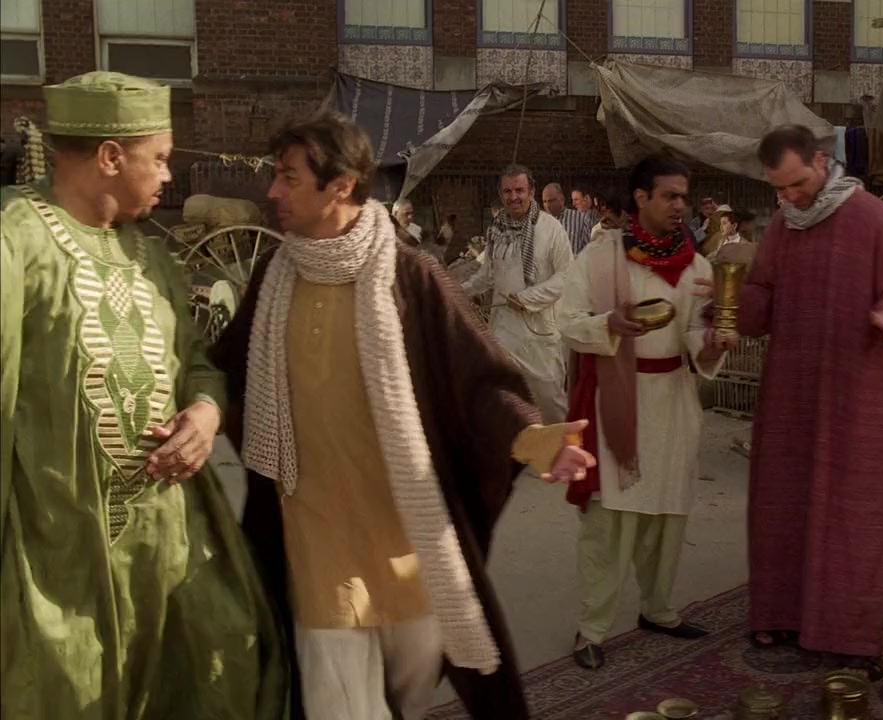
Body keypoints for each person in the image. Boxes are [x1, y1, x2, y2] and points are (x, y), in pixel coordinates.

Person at [211, 112, 595, 720]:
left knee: (408, 693)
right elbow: (222, 372)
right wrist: (196, 409)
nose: (273, 191)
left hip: (410, 548)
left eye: (289, 177)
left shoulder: (410, 277)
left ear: (340, 185)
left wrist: (535, 439)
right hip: (317, 544)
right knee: (338, 705)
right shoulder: (272, 281)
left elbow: (478, 381)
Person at [0, 71, 287, 719]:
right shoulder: (15, 239)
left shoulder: (149, 256)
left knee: (230, 660)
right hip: (57, 569)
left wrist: (206, 413)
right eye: (158, 158)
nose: (167, 175)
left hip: (169, 550)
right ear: (110, 157)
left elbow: (196, 363)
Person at [738, 125, 883, 672]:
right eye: (780, 189)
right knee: (783, 500)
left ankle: (856, 632)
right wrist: (728, 301)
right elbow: (763, 293)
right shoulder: (784, 224)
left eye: (797, 183)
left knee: (857, 510)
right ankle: (782, 613)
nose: (790, 196)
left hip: (857, 391)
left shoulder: (870, 217)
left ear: (822, 162)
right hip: (794, 390)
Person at [558, 154, 734, 670]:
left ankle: (657, 609)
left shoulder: (697, 266)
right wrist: (607, 323)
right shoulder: (600, 256)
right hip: (617, 401)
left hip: (674, 401)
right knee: (609, 525)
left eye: (684, 196)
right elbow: (566, 320)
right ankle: (591, 629)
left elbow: (697, 334)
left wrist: (714, 343)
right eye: (670, 196)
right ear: (641, 197)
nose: (681, 205)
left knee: (666, 518)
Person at [462, 166, 573, 422]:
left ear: (531, 192)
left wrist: (528, 298)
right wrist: (459, 290)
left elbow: (567, 276)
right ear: (501, 195)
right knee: (506, 404)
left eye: (519, 190)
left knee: (551, 405)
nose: (514, 197)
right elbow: (488, 275)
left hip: (540, 334)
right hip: (504, 332)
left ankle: (562, 446)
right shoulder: (496, 230)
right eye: (508, 191)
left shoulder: (551, 228)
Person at [543, 182, 593, 255]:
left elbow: (589, 250)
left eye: (552, 201)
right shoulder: (541, 223)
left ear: (562, 200)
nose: (548, 205)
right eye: (545, 201)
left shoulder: (580, 219)